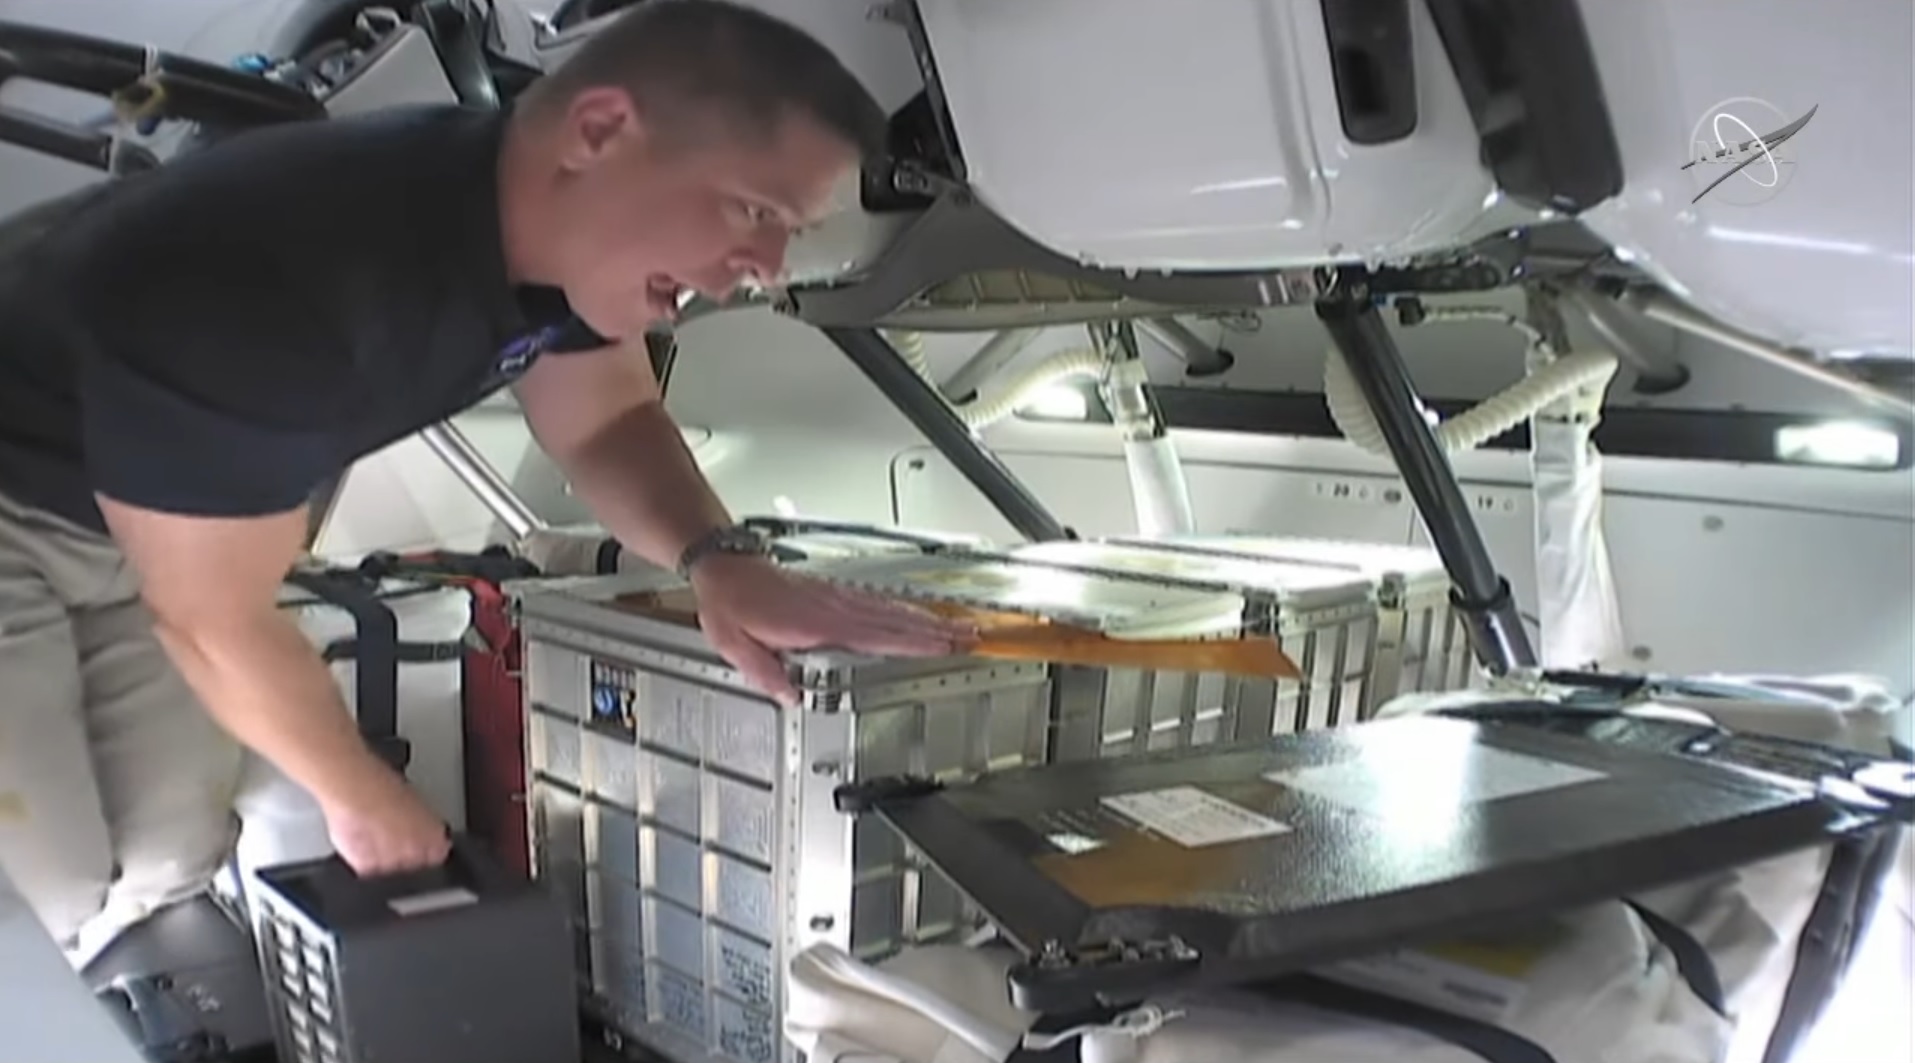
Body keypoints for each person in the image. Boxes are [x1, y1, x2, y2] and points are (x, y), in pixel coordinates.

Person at [0, 0, 970, 958]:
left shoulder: (549, 243)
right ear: (599, 132)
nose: (762, 266)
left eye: (785, 230)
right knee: (43, 885)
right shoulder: (309, 275)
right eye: (753, 210)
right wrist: (360, 794)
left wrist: (717, 560)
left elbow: (609, 416)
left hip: (144, 521)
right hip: (26, 512)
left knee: (175, 853)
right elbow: (210, 616)